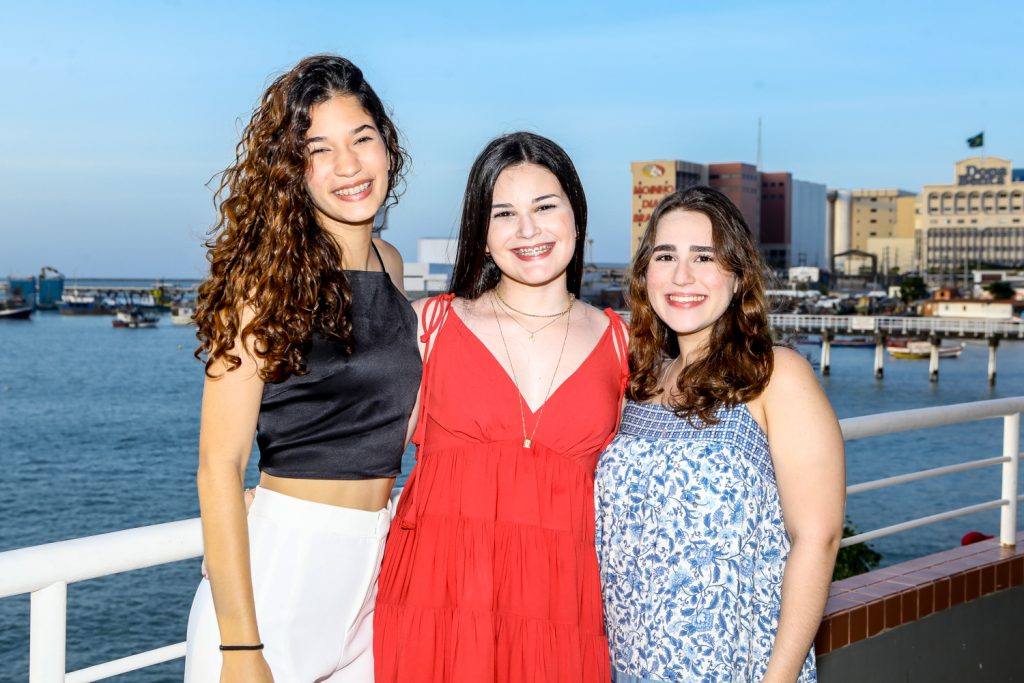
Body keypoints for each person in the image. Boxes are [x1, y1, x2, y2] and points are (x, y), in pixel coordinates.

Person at [183, 54, 419, 683]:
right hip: (280, 581)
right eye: (319, 149)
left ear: (386, 144)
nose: (348, 165)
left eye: (361, 139)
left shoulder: (391, 265)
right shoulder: (266, 280)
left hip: (373, 575)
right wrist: (239, 650)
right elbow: (219, 466)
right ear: (294, 170)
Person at [373, 132, 628, 682]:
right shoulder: (429, 328)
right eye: (504, 213)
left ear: (576, 218)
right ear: (482, 235)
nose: (528, 229)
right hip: (437, 606)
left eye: (545, 206)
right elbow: (363, 457)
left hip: (565, 612)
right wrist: (279, 498)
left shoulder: (625, 344)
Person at [595, 185, 845, 683]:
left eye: (704, 256)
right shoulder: (637, 385)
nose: (681, 275)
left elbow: (818, 538)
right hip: (627, 665)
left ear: (737, 276)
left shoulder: (776, 377)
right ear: (645, 275)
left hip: (734, 667)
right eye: (665, 256)